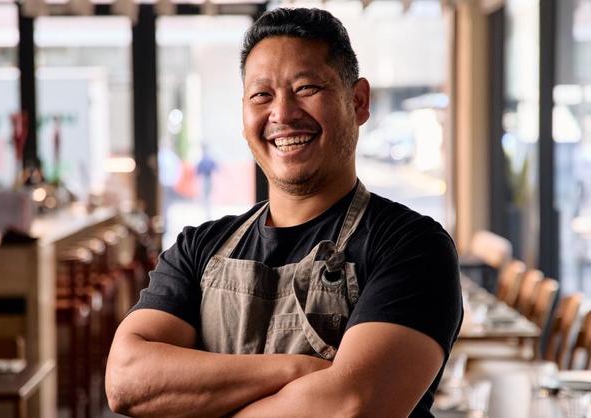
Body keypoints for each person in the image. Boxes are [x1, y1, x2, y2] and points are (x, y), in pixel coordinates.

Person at [106, 7, 462, 418]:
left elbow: (350, 406)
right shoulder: (197, 248)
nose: (282, 114)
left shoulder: (412, 247)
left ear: (358, 101)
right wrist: (300, 369)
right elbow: (126, 381)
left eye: (306, 88)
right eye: (262, 95)